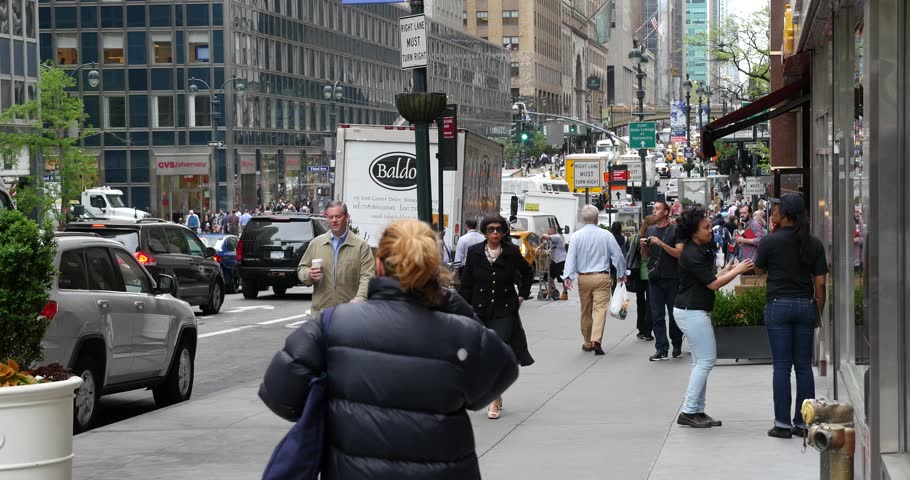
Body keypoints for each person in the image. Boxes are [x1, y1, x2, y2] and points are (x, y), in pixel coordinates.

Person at [260, 219, 518, 480]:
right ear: (434, 270)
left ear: (380, 265)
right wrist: (451, 302)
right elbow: (500, 372)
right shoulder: (460, 333)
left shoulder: (333, 325)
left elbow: (279, 395)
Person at [753, 193, 828, 439]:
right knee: (804, 368)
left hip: (778, 305)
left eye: (776, 211)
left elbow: (759, 269)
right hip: (805, 305)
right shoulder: (813, 243)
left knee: (782, 367)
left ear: (784, 215)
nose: (773, 214)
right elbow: (820, 284)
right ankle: (804, 423)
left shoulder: (769, 241)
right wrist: (818, 311)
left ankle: (782, 424)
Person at [673, 207, 754, 428]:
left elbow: (708, 278)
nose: (710, 230)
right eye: (706, 227)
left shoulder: (696, 251)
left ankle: (697, 410)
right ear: (693, 232)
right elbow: (713, 285)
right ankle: (690, 410)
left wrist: (727, 269)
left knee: (701, 361)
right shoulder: (692, 254)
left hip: (693, 309)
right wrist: (737, 271)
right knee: (706, 360)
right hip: (691, 311)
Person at [458, 214, 534, 420]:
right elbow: (466, 284)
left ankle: (493, 398)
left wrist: (521, 295)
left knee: (497, 353)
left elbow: (527, 272)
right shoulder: (474, 253)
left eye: (499, 229)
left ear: (504, 232)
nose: (494, 233)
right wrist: (461, 309)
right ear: (484, 231)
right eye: (490, 229)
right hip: (480, 310)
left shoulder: (511, 252)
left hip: (504, 310)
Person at [563, 205, 627, 356]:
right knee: (600, 309)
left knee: (585, 310)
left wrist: (568, 277)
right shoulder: (606, 235)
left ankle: (586, 341)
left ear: (583, 219)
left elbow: (571, 258)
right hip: (602, 276)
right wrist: (621, 273)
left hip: (584, 277)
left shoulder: (576, 236)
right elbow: (617, 255)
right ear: (597, 218)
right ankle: (596, 340)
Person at [297, 201, 375, 312]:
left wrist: (360, 297)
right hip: (321, 314)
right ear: (326, 217)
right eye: (331, 217)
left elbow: (367, 276)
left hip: (350, 314)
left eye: (338, 216)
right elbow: (301, 268)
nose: (334, 220)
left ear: (347, 217)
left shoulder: (361, 246)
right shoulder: (316, 243)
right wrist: (308, 274)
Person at [641, 201, 686, 361]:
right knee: (657, 315)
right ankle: (661, 348)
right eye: (653, 208)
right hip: (655, 278)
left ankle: (677, 343)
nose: (654, 211)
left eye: (657, 209)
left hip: (672, 277)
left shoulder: (675, 230)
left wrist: (660, 243)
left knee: (674, 315)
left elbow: (679, 253)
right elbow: (646, 257)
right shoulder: (650, 230)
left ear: (666, 212)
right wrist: (644, 246)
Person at [626, 215, 657, 341]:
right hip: (650, 273)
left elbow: (629, 254)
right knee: (651, 302)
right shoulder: (654, 238)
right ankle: (648, 331)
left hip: (637, 273)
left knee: (640, 302)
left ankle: (641, 328)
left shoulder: (635, 237)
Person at [541, 225, 568, 300]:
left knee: (563, 278)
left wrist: (543, 236)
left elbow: (545, 236)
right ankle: (551, 289)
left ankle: (565, 293)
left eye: (549, 229)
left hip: (561, 260)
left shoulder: (557, 237)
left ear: (553, 230)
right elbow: (544, 245)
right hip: (554, 260)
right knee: (548, 275)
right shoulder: (550, 238)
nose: (548, 230)